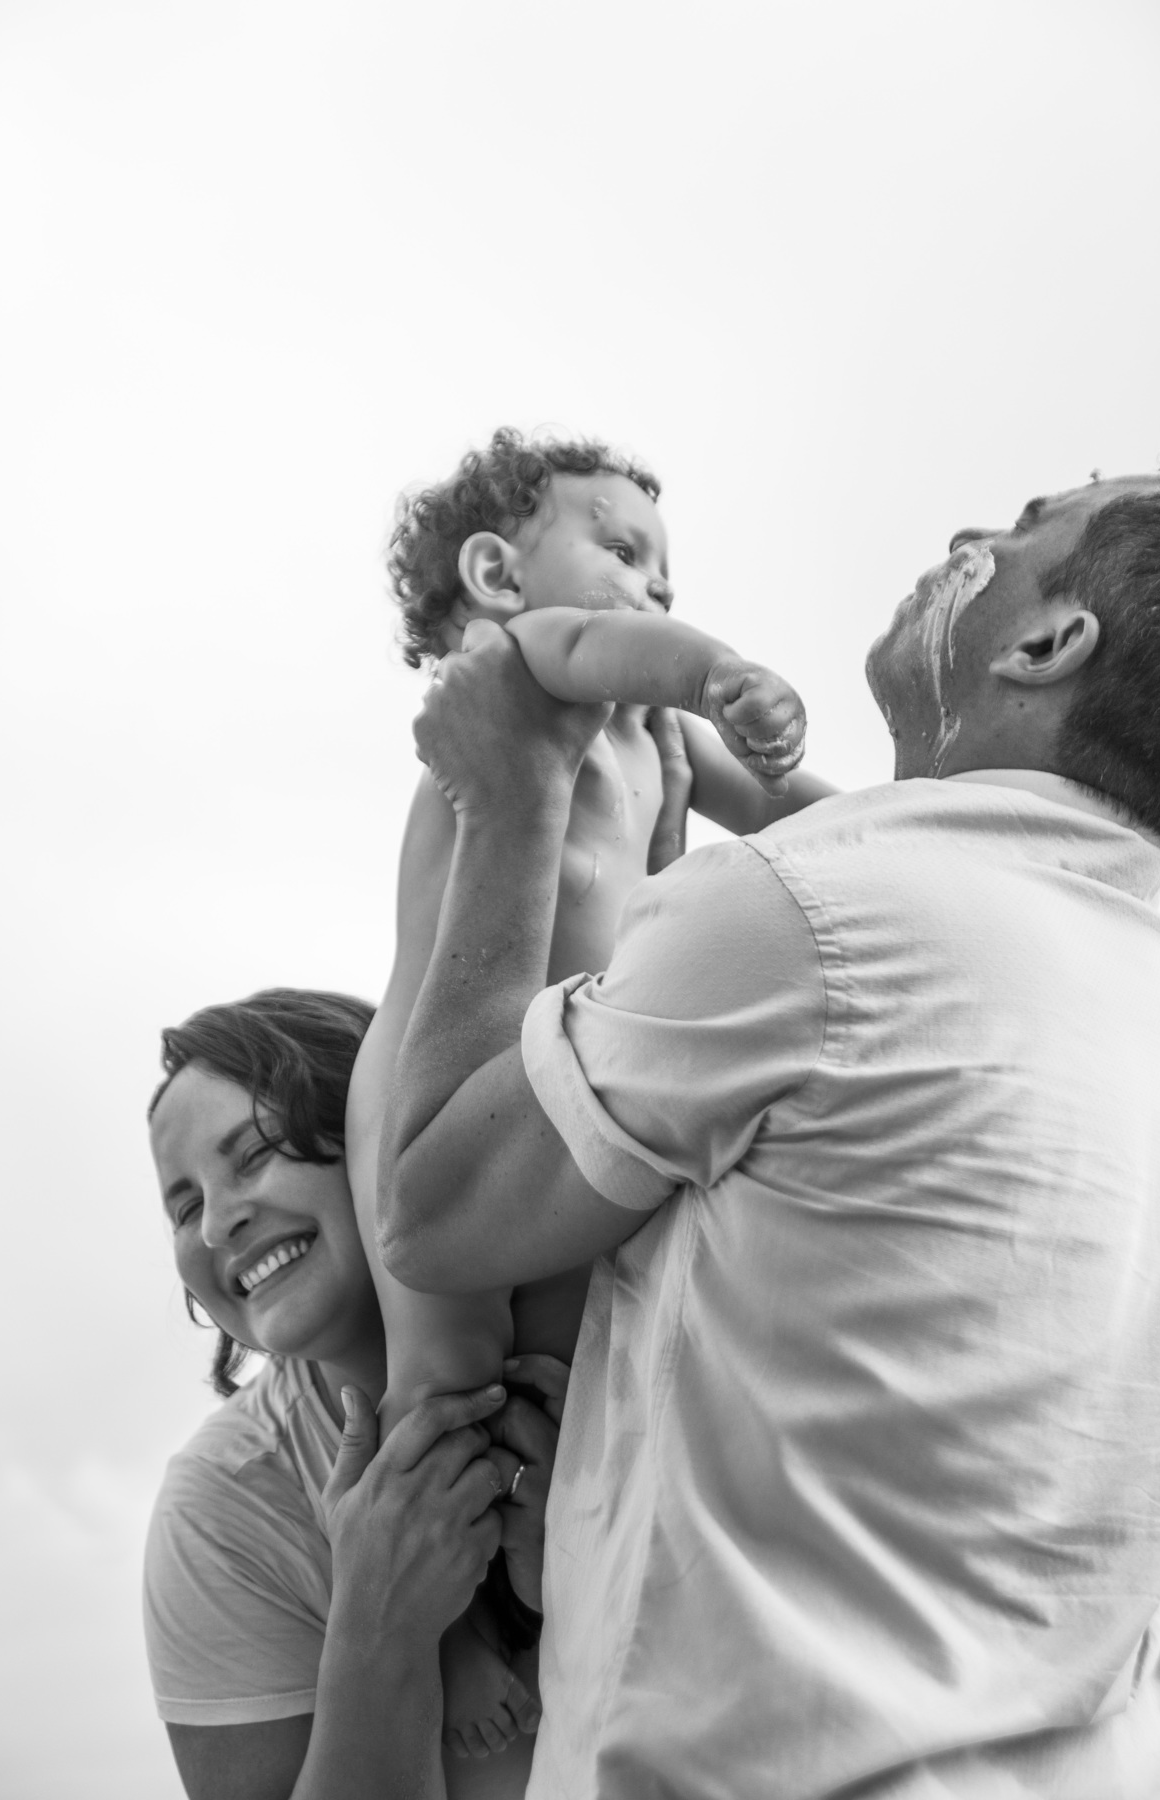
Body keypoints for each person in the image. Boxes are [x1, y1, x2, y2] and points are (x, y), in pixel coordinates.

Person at [377, 471, 1160, 1797]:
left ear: (1047, 646)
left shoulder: (815, 914)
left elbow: (435, 1214)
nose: (965, 532)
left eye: (1018, 533)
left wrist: (515, 796)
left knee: (439, 1387)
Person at [348, 426, 833, 1438]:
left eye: (666, 577)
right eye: (622, 554)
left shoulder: (654, 734)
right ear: (497, 572)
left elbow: (793, 811)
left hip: (556, 1076)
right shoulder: (525, 659)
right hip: (425, 1068)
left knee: (563, 1353)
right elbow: (604, 646)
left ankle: (535, 1544)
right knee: (447, 1367)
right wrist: (719, 673)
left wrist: (918, 826)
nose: (657, 595)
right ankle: (410, 1515)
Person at [143, 987, 566, 1799]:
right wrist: (381, 1628)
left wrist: (588, 1549)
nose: (216, 1224)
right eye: (187, 1204)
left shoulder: (602, 1308)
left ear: (381, 1127)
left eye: (255, 1152)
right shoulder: (226, 1506)